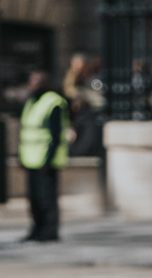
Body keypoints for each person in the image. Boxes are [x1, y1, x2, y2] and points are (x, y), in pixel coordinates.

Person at [14, 67, 71, 243]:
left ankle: (49, 231)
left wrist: (49, 159)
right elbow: (26, 131)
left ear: (45, 84)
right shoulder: (30, 102)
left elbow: (56, 134)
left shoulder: (53, 102)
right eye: (31, 81)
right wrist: (21, 157)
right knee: (34, 200)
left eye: (36, 82)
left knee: (47, 199)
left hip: (46, 161)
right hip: (31, 159)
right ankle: (37, 230)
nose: (32, 85)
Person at [63, 54, 105, 160]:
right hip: (79, 116)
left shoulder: (94, 79)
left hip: (90, 115)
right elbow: (69, 91)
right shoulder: (73, 77)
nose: (77, 69)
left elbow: (98, 97)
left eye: (79, 66)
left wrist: (83, 97)